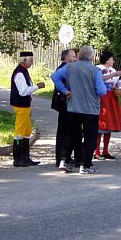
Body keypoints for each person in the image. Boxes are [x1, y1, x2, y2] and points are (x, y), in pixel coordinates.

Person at [51, 45, 106, 174]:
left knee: (70, 134)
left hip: (73, 107)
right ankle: (85, 165)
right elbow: (101, 90)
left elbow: (54, 77)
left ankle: (64, 161)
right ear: (91, 56)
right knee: (89, 137)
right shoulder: (95, 70)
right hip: (90, 108)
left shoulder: (69, 67)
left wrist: (64, 90)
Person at [10, 51, 45, 167]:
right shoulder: (19, 73)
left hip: (24, 106)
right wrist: (37, 87)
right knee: (19, 131)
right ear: (23, 60)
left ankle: (25, 157)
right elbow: (23, 91)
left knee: (26, 131)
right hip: (20, 105)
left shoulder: (23, 71)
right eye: (30, 60)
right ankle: (18, 157)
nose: (32, 62)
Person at [94, 50, 121, 160]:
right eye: (111, 59)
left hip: (111, 96)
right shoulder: (98, 69)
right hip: (102, 97)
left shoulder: (112, 70)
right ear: (107, 60)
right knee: (101, 124)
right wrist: (114, 75)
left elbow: (115, 82)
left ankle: (105, 150)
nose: (113, 61)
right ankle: (97, 151)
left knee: (109, 123)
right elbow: (99, 80)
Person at [51, 49, 76, 167]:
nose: (75, 58)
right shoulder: (64, 68)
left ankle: (64, 157)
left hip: (65, 102)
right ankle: (61, 157)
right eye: (73, 56)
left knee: (66, 130)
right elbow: (55, 79)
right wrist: (65, 91)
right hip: (63, 102)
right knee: (64, 130)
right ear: (67, 58)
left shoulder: (67, 67)